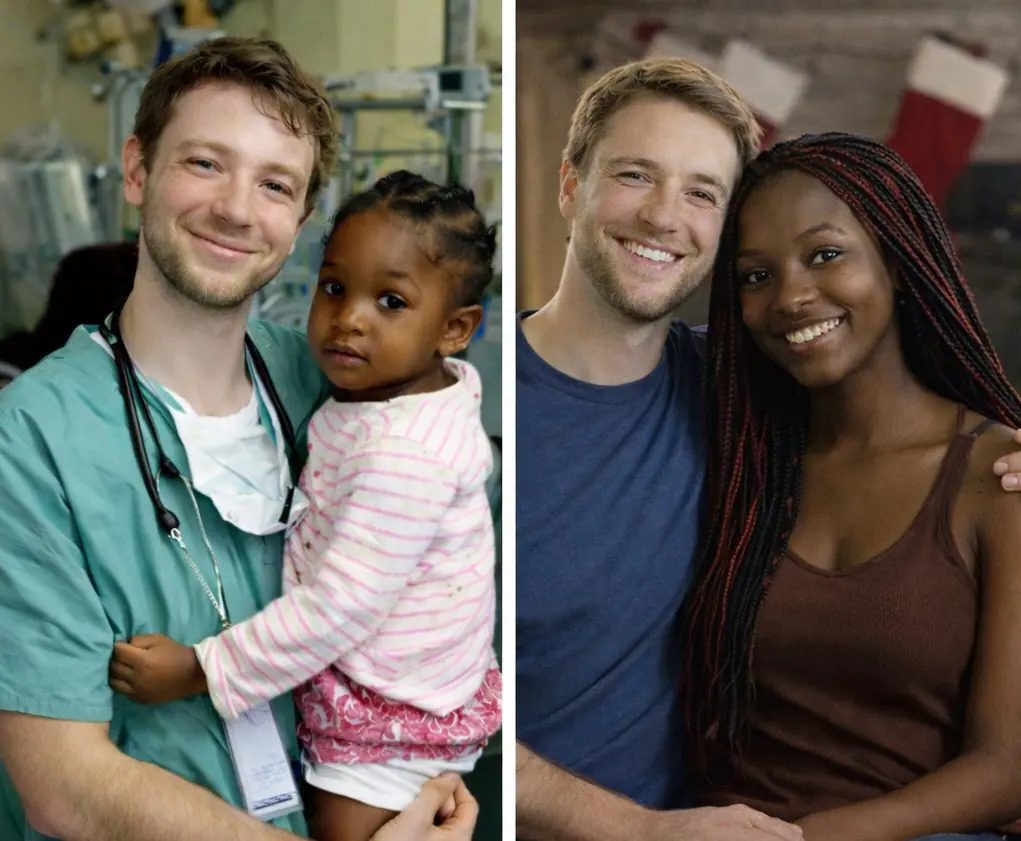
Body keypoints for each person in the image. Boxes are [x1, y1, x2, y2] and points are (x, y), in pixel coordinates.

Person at [516, 59, 1021, 841]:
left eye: (700, 191)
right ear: (568, 184)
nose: (661, 215)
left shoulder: (738, 397)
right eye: (634, 174)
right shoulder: (474, 413)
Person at [0, 38, 476, 841]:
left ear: (298, 221)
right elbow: (64, 786)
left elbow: (443, 578)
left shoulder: (336, 386)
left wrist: (429, 775)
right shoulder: (33, 436)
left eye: (275, 184)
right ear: (138, 169)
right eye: (205, 164)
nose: (235, 208)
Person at [108, 170, 503, 841]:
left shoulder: (404, 453)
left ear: (456, 328)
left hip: (388, 731)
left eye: (390, 301)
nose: (349, 317)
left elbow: (337, 605)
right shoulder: (400, 397)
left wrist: (200, 669)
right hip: (406, 700)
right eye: (334, 287)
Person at [683, 132, 1021, 841]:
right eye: (754, 275)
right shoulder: (745, 464)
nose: (791, 296)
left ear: (896, 264)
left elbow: (1006, 766)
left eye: (825, 254)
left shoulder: (996, 481)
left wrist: (806, 840)